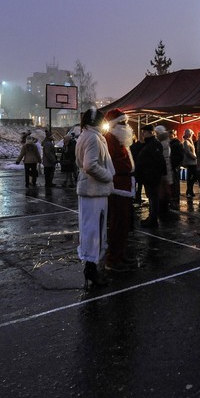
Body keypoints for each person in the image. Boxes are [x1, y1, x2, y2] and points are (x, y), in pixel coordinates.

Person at [76, 108, 115, 289]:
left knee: (92, 230)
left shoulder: (86, 135)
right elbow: (89, 165)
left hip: (92, 191)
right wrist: (107, 176)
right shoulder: (92, 137)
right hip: (94, 191)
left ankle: (91, 268)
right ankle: (91, 270)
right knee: (94, 231)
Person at [103, 109, 137, 272]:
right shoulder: (110, 139)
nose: (126, 125)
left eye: (125, 122)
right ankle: (113, 259)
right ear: (114, 124)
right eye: (122, 122)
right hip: (117, 187)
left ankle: (120, 254)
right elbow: (108, 164)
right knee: (117, 224)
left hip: (125, 184)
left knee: (124, 225)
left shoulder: (120, 139)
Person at [134, 124, 166, 228]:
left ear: (151, 132)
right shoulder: (150, 144)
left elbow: (158, 161)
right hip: (148, 175)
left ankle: (153, 219)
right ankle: (151, 217)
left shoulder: (154, 144)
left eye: (145, 132)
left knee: (153, 198)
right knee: (151, 197)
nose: (143, 134)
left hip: (151, 176)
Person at [181, 128, 199, 198]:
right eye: (191, 134)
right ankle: (189, 190)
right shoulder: (186, 142)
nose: (192, 135)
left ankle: (189, 190)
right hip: (191, 162)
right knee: (194, 176)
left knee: (191, 177)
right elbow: (187, 152)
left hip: (192, 162)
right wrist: (195, 157)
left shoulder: (189, 141)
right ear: (189, 134)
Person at [130, 133, 145, 203]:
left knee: (134, 182)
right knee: (139, 183)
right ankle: (138, 197)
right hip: (140, 166)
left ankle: (134, 196)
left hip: (134, 166)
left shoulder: (130, 147)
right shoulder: (140, 145)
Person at [169, 129, 184, 202]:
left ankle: (175, 195)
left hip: (174, 165)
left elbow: (180, 155)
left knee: (175, 181)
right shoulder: (175, 143)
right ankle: (175, 195)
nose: (169, 137)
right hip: (174, 164)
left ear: (174, 135)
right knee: (174, 181)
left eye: (171, 136)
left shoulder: (176, 144)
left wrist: (176, 163)